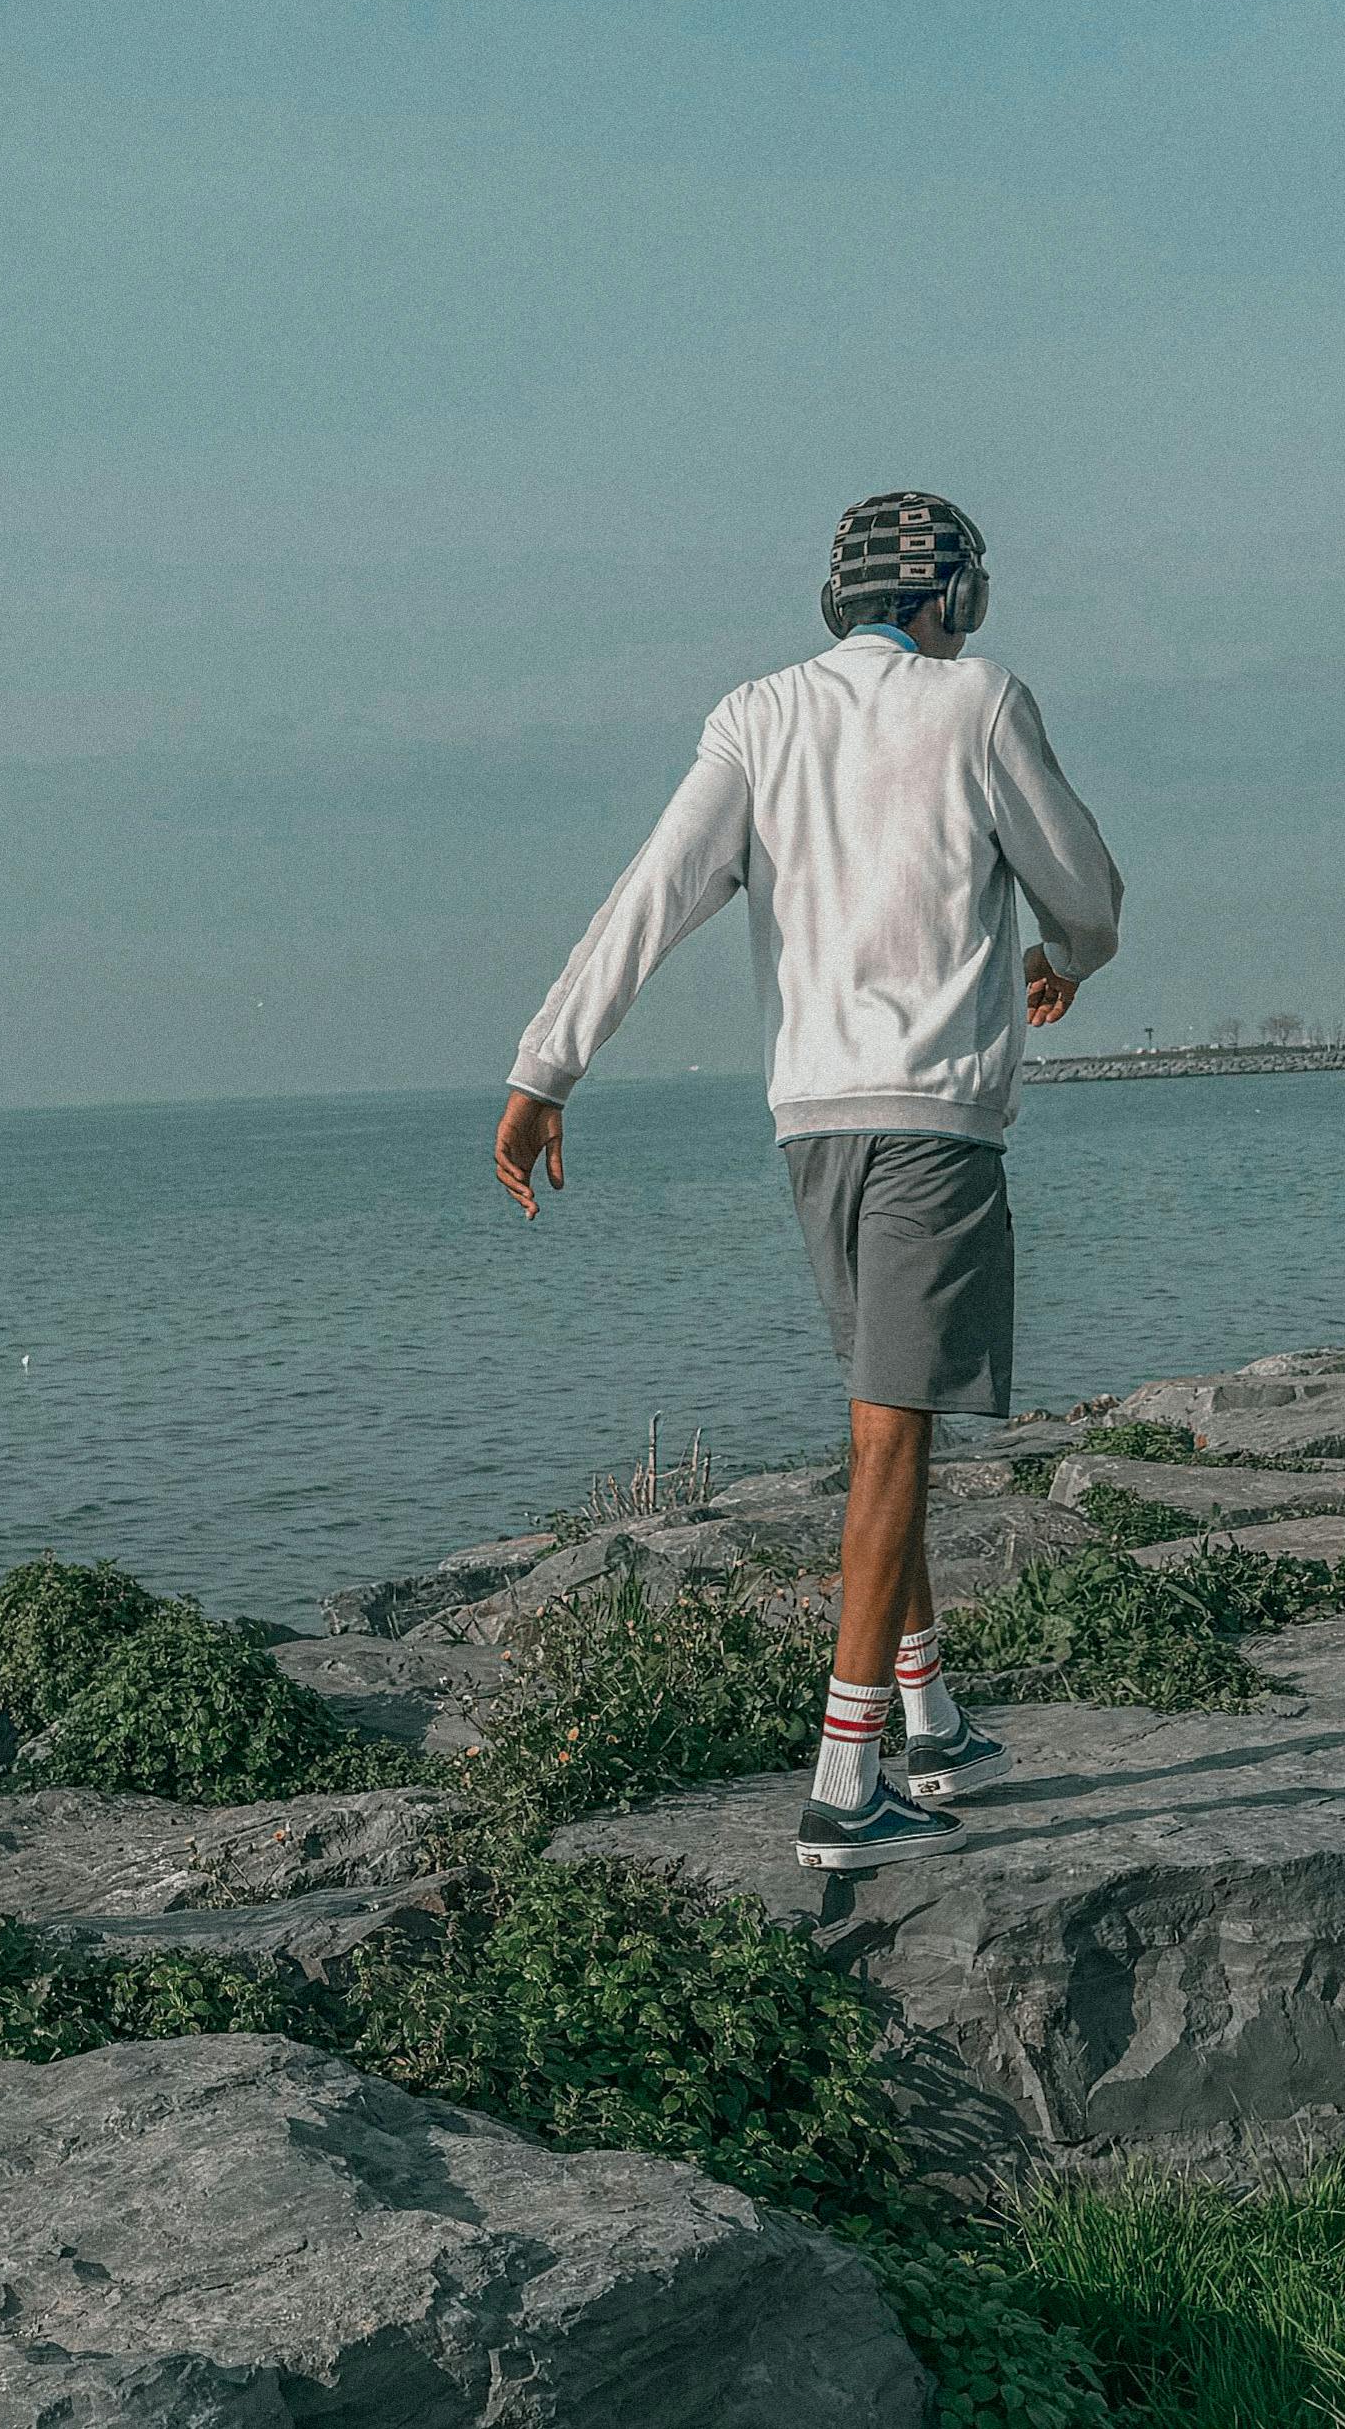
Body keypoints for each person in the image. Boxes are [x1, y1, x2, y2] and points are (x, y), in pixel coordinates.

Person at [493, 490, 1123, 1869]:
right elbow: (1087, 889)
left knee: (887, 1418)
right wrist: (1068, 957)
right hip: (937, 1125)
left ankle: (931, 1713)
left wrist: (548, 1067)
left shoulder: (756, 716)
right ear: (950, 597)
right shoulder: (979, 704)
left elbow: (650, 894)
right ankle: (847, 1783)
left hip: (811, 1125)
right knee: (892, 1438)